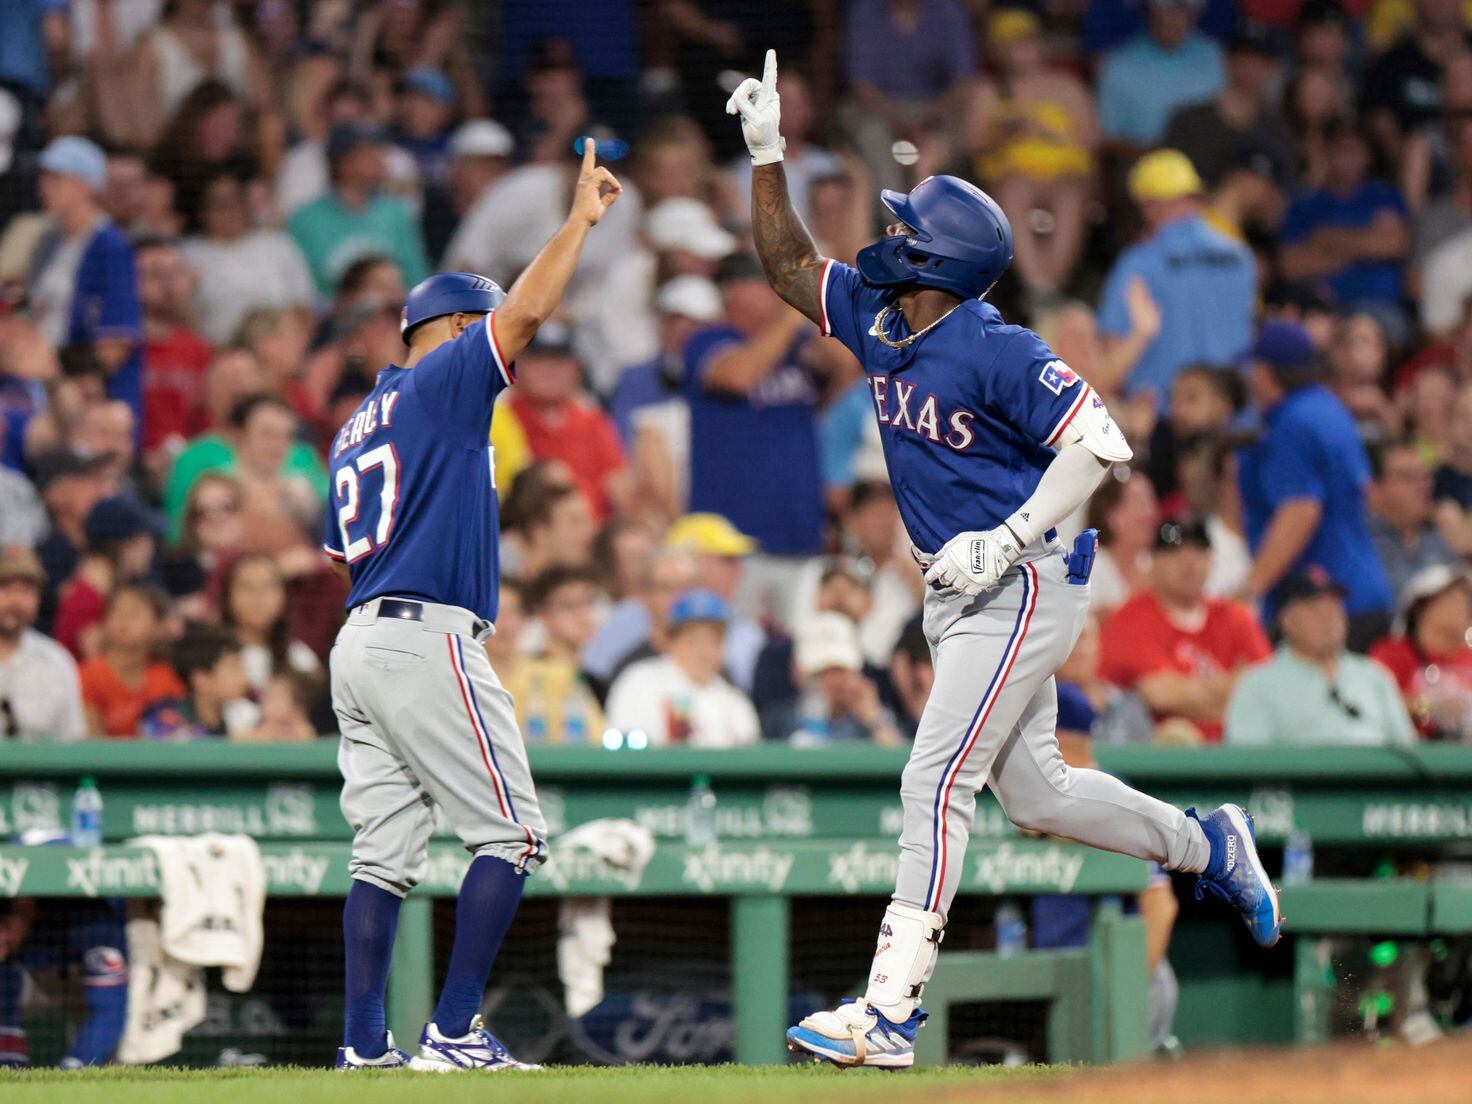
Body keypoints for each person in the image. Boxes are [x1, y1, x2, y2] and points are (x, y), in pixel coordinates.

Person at [728, 50, 1280, 1069]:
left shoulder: (995, 343)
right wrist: (767, 157)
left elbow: (1101, 442)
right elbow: (787, 270)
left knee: (933, 781)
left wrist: (1011, 536)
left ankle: (889, 1011)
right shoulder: (883, 318)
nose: (886, 238)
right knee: (1035, 796)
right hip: (964, 589)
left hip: (1022, 581)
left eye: (904, 230)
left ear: (936, 262)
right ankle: (1208, 846)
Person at [321, 140, 621, 1071]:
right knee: (513, 832)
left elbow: (340, 559)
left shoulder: (355, 420)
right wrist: (578, 223)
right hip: (425, 637)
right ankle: (453, 1031)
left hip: (361, 640)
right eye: (483, 333)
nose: (505, 359)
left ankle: (363, 1047)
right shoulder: (446, 378)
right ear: (452, 329)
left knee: (382, 856)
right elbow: (525, 312)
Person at [683, 252, 827, 624]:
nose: (777, 292)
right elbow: (739, 376)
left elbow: (847, 365)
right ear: (733, 291)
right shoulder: (706, 339)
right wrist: (795, 310)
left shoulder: (796, 347)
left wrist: (819, 310)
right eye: (766, 284)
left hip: (803, 539)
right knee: (736, 651)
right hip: (736, 546)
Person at [1236, 321, 1394, 649]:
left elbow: (1300, 510)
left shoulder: (1291, 423)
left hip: (1321, 604)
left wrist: (1250, 590)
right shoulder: (1328, 408)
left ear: (1266, 372)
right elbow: (1365, 491)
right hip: (1364, 588)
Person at [1096, 150, 1256, 400]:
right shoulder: (1241, 257)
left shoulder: (1139, 263)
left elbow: (1115, 346)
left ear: (1150, 206)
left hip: (1166, 414)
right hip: (1233, 412)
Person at [1098, 519, 1271, 743]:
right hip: (1157, 760)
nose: (1189, 563)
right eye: (1175, 553)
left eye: (1199, 552)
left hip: (1237, 751)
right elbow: (1160, 695)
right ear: (1155, 561)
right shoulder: (1131, 618)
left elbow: (1266, 689)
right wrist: (1231, 686)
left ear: (1211, 560)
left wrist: (1189, 694)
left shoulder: (1236, 617)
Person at [27, 137, 144, 428]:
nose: (45, 187)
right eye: (44, 177)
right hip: (43, 383)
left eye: (57, 178)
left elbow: (115, 342)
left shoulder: (110, 246)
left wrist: (69, 391)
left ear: (86, 185)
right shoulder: (49, 242)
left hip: (85, 393)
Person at [1225, 570, 1416, 748]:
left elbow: (1409, 752)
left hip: (1376, 781)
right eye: (1314, 608)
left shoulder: (1373, 675)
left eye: (1334, 606)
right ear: (1287, 621)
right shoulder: (1258, 684)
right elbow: (1250, 764)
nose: (1329, 617)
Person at [288, 122, 430, 298]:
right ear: (343, 162)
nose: (380, 158)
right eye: (368, 152)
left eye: (379, 150)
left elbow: (417, 278)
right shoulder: (305, 220)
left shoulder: (397, 213)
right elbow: (301, 290)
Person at [604, 588, 761, 747]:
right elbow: (623, 754)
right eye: (694, 641)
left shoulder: (735, 702)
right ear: (671, 642)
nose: (704, 652)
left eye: (714, 642)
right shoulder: (639, 682)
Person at [179, 170, 316, 346]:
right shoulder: (189, 254)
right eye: (219, 204)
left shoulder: (278, 244)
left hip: (280, 351)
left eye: (235, 201)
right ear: (202, 211)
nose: (229, 211)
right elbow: (184, 317)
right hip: (217, 353)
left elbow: (302, 307)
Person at [1096, 0, 1225, 151]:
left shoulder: (1213, 57)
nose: (1175, 18)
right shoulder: (1118, 65)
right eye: (1166, 9)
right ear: (1149, 13)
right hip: (1142, 162)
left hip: (1211, 161)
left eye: (1183, 9)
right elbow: (1107, 139)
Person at [502, 565, 605, 745]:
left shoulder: (592, 679)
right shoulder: (527, 674)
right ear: (543, 614)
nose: (583, 614)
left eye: (589, 603)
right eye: (568, 606)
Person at [1369, 563, 1472, 741]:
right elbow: (1372, 701)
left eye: (1465, 598)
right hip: (1413, 752)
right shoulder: (1392, 653)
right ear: (1422, 607)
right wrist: (1428, 706)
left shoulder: (1468, 656)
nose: (1463, 607)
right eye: (1452, 598)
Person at [133, 235, 213, 460]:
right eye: (156, 275)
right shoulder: (120, 349)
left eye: (177, 273)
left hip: (187, 463)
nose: (169, 284)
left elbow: (207, 423)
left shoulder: (200, 349)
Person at [0, 546, 85, 742]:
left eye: (27, 591)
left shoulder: (57, 661)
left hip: (37, 772)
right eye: (5, 588)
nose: (16, 602)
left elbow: (73, 740)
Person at [78, 583, 184, 738]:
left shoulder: (164, 676)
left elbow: (173, 735)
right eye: (116, 611)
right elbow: (91, 742)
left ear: (159, 625)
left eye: (134, 613)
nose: (123, 619)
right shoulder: (88, 676)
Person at [782, 611, 903, 745]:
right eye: (823, 672)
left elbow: (897, 757)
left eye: (841, 670)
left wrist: (873, 718)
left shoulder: (871, 717)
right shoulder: (784, 720)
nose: (836, 681)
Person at [1366, 439, 1460, 603]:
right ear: (1374, 489)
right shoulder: (1362, 546)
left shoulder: (1436, 542)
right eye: (1407, 478)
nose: (1422, 486)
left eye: (1425, 476)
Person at [140, 620, 254, 740]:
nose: (244, 678)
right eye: (234, 668)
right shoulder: (164, 718)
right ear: (201, 679)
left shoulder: (243, 716)